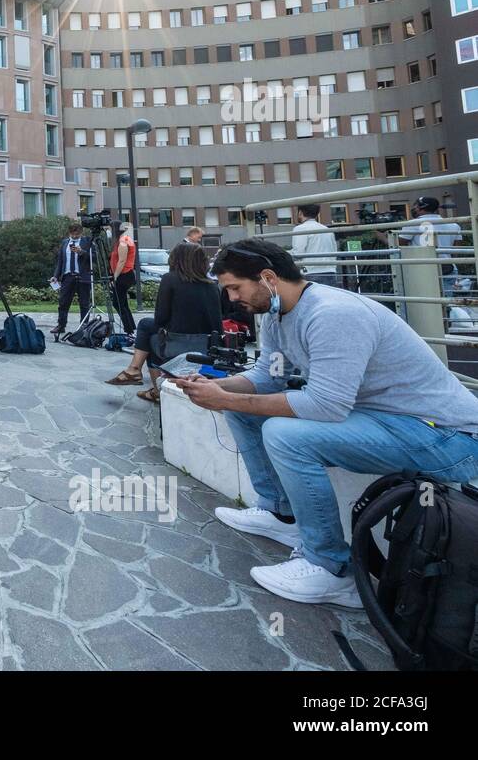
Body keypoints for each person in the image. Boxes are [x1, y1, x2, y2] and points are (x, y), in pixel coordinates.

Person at [172, 238, 478, 607]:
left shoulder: (333, 313)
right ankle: (279, 512)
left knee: (285, 435)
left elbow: (326, 405)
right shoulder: (276, 315)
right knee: (242, 409)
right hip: (387, 421)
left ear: (268, 278)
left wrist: (228, 398)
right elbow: (267, 378)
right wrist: (215, 387)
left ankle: (331, 568)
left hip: (447, 437)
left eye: (235, 287)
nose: (232, 297)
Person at [106, 242, 221, 403]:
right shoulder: (212, 286)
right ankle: (138, 374)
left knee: (148, 333)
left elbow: (160, 318)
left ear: (176, 260)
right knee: (148, 331)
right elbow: (217, 323)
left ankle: (150, 384)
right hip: (205, 346)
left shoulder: (170, 279)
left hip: (177, 343)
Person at [399, 196, 464, 295]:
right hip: (448, 268)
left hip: (422, 269)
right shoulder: (453, 225)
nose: (413, 208)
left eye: (415, 206)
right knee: (445, 303)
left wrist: (382, 237)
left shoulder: (412, 224)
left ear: (420, 207)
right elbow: (456, 250)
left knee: (425, 303)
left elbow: (399, 245)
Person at [49, 223, 92, 336]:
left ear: (81, 233)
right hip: (68, 276)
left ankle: (84, 326)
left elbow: (94, 257)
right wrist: (56, 276)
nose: (74, 236)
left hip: (82, 276)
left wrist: (81, 252)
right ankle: (61, 325)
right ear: (69, 233)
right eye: (72, 233)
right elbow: (60, 261)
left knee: (84, 303)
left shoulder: (87, 242)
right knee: (63, 302)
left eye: (77, 234)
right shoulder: (65, 242)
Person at [289, 204, 339, 287]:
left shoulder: (300, 229)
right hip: (330, 272)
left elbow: (298, 253)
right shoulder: (327, 230)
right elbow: (334, 251)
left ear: (300, 212)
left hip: (311, 272)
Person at [110, 222, 138, 334]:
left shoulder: (123, 242)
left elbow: (122, 261)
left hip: (124, 275)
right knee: (123, 303)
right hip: (125, 274)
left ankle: (129, 329)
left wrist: (115, 276)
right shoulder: (123, 240)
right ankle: (131, 327)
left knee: (117, 303)